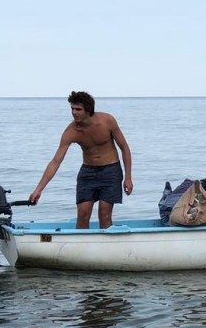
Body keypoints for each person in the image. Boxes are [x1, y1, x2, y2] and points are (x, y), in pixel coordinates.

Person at [29, 91, 133, 229]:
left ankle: (105, 248)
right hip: (88, 172)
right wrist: (38, 190)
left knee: (104, 214)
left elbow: (125, 148)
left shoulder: (107, 121)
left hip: (111, 171)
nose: (74, 112)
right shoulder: (71, 131)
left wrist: (128, 178)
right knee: (83, 214)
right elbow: (55, 162)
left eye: (78, 109)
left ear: (88, 110)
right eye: (72, 109)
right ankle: (81, 247)